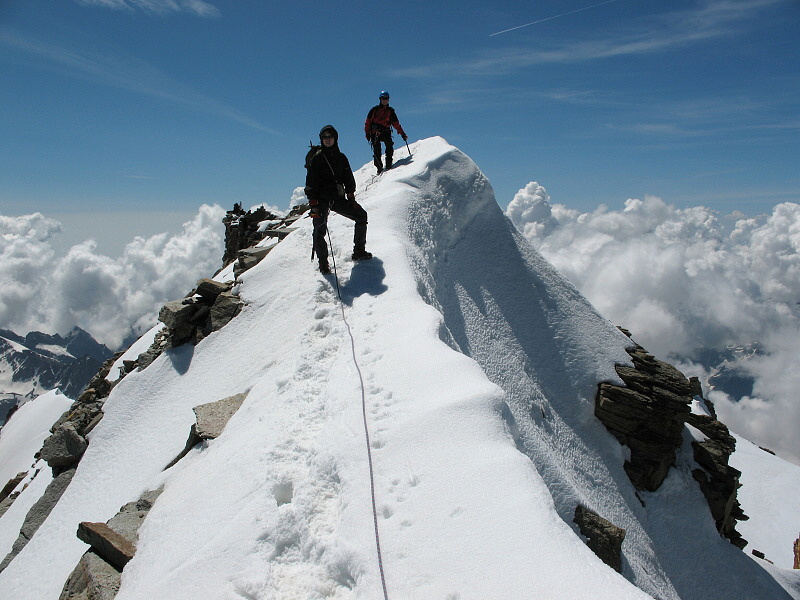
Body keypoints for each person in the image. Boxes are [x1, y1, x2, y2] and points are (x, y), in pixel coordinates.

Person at [304, 124, 372, 274]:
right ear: (321, 139)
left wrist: (351, 196)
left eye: (330, 137)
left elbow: (348, 177)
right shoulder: (317, 158)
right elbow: (311, 181)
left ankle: (359, 251)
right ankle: (323, 264)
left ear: (335, 138)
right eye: (325, 137)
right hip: (321, 199)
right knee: (319, 230)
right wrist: (313, 202)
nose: (328, 140)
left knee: (361, 216)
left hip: (336, 198)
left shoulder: (341, 157)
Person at [364, 90, 407, 174]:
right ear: (380, 99)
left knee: (389, 146)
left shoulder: (391, 112)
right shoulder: (374, 110)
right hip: (374, 132)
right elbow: (368, 122)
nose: (385, 100)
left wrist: (402, 133)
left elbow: (396, 124)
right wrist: (367, 133)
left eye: (386, 98)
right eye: (383, 98)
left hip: (385, 131)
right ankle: (379, 168)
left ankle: (388, 164)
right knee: (377, 150)